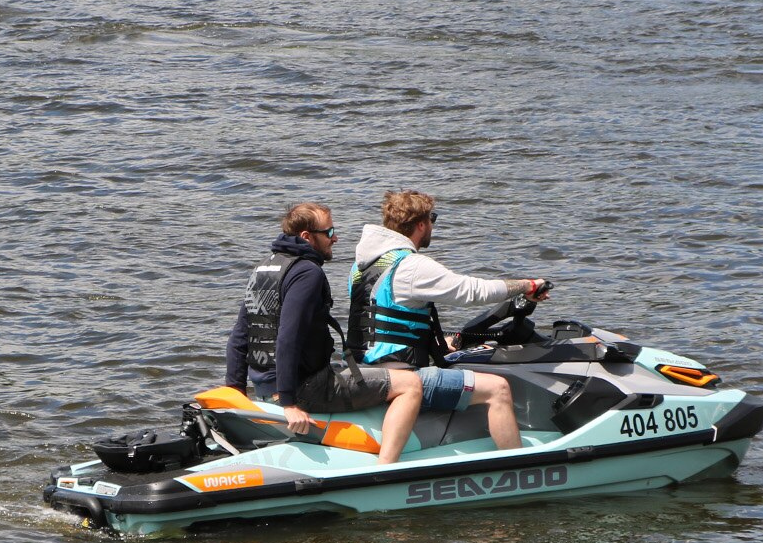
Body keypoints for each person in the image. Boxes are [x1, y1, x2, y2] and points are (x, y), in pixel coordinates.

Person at [348, 190, 551, 453]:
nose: (432, 225)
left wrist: (437, 342)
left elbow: (381, 325)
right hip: (401, 376)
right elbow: (472, 291)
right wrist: (526, 285)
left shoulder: (361, 267)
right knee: (498, 388)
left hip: (368, 372)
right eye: (432, 218)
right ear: (421, 224)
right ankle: (519, 467)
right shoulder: (411, 266)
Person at [226, 202, 424, 465]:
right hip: (306, 388)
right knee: (410, 385)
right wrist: (289, 404)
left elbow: (240, 335)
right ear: (307, 236)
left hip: (264, 386)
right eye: (329, 232)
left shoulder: (265, 268)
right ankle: (386, 468)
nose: (336, 238)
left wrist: (235, 392)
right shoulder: (307, 272)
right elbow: (289, 335)